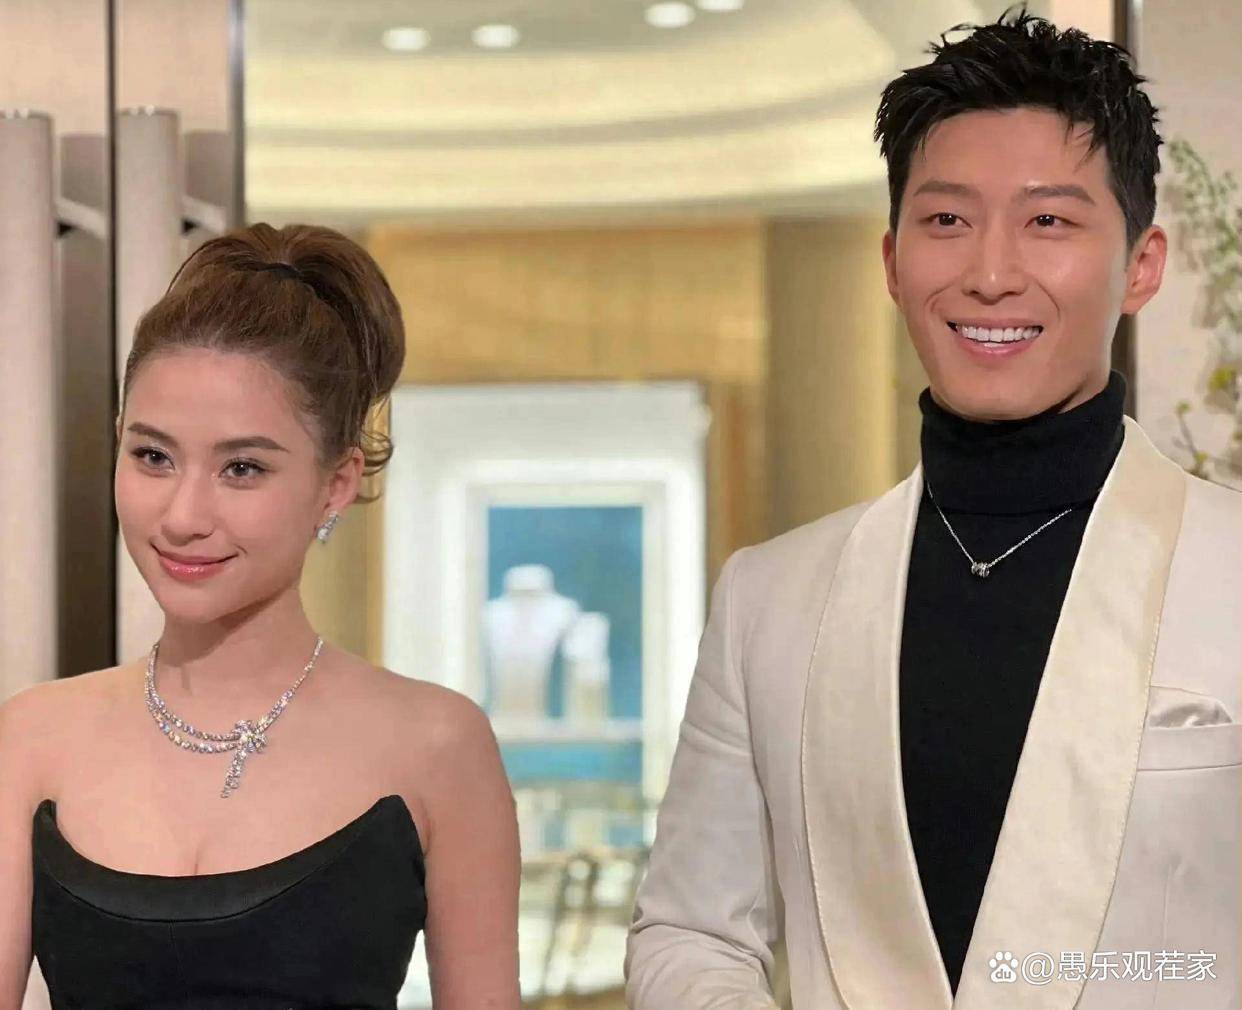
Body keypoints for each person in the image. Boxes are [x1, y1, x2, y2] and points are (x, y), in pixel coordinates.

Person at [627, 10, 1240, 1010]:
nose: (990, 274)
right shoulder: (769, 598)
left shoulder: (1232, 564)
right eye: (948, 220)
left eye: (1049, 222)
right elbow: (691, 930)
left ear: (1142, 265)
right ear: (891, 260)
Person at [0, 223, 522, 1009]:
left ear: (336, 484)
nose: (183, 516)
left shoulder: (438, 747)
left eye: (242, 468)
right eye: (152, 456)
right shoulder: (33, 739)